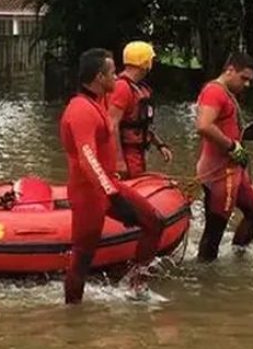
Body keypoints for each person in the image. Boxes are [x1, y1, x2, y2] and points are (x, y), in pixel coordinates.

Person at [60, 48, 165, 304]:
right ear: (98, 78)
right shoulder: (80, 111)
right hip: (89, 192)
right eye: (111, 73)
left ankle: (136, 287)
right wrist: (114, 196)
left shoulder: (99, 102)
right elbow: (88, 159)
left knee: (154, 222)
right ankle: (72, 314)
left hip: (107, 184)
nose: (117, 77)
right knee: (83, 257)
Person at [194, 52, 253, 263]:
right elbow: (204, 126)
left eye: (249, 81)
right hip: (219, 173)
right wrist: (231, 146)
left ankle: (238, 256)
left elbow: (220, 124)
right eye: (243, 78)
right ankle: (206, 279)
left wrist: (242, 137)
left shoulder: (226, 92)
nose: (246, 84)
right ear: (230, 70)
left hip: (234, 169)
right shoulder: (214, 92)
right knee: (214, 230)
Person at [109, 40, 173, 178]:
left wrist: (160, 145)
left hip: (137, 151)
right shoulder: (122, 88)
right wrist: (119, 161)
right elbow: (112, 125)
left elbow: (141, 123)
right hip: (128, 152)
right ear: (144, 62)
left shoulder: (139, 88)